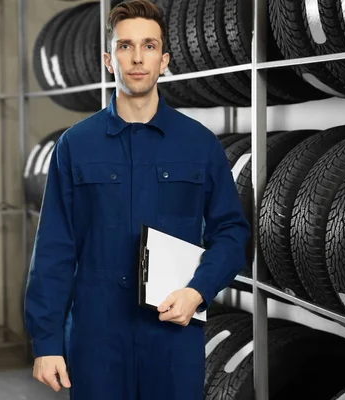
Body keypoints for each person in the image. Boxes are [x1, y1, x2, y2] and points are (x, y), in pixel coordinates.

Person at [23, 0, 250, 399]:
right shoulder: (76, 145)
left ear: (164, 61)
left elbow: (231, 232)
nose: (137, 58)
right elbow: (54, 250)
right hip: (98, 337)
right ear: (110, 60)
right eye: (126, 46)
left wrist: (198, 291)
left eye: (148, 46)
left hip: (172, 334)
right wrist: (46, 343)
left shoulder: (198, 144)